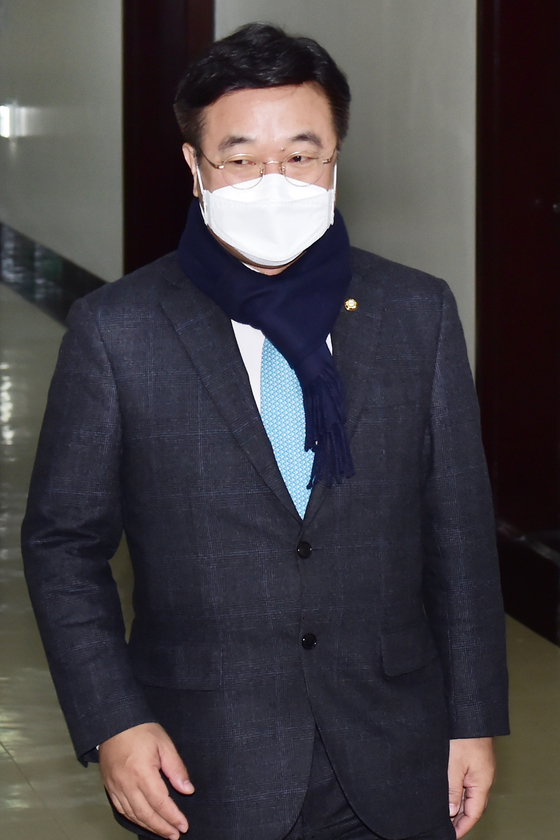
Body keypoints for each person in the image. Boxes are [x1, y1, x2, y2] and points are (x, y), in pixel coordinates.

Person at [21, 22, 509, 840]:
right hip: (201, 759)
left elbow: (457, 533)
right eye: (241, 159)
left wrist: (474, 715)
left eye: (301, 154)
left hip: (397, 750)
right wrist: (113, 721)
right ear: (195, 166)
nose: (273, 182)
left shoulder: (415, 313)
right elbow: (63, 545)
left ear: (336, 161)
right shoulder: (119, 330)